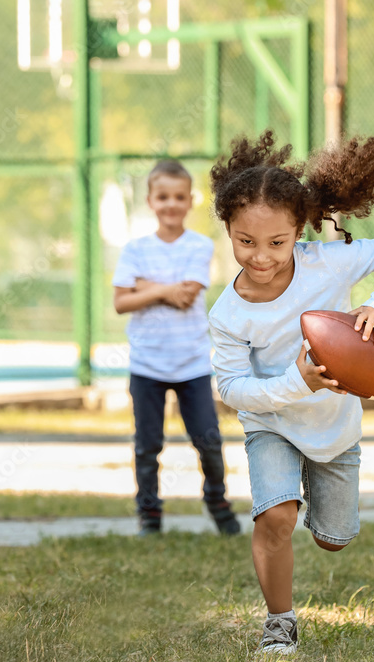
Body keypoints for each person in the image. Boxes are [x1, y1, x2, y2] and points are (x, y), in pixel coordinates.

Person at [208, 131, 374, 654]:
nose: (260, 256)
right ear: (228, 231)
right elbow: (233, 389)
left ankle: (317, 499)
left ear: (299, 231)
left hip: (334, 426)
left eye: (277, 242)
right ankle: (279, 621)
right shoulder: (227, 314)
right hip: (272, 423)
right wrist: (295, 382)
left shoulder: (328, 262)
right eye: (245, 241)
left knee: (333, 539)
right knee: (276, 517)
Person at [112, 160, 240, 537]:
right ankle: (149, 516)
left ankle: (218, 503)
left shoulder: (200, 246)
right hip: (147, 366)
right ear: (150, 200)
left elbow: (186, 297)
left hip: (193, 366)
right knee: (147, 446)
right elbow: (121, 301)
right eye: (163, 197)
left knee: (209, 441)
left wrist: (146, 287)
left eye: (179, 197)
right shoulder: (135, 248)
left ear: (190, 201)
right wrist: (164, 288)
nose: (171, 204)